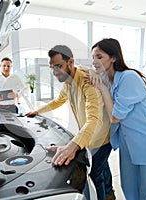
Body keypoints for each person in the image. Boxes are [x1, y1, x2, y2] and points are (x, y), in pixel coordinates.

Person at [25, 45, 115, 200]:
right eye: (52, 67)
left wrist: (73, 145)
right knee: (103, 167)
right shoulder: (68, 81)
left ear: (70, 62)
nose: (54, 72)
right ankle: (110, 192)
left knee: (95, 174)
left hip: (101, 139)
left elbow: (94, 119)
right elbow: (59, 100)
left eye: (58, 66)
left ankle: (104, 195)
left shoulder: (88, 82)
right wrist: (37, 111)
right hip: (90, 137)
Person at [87, 38, 146, 200]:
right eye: (93, 57)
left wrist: (103, 88)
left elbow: (115, 117)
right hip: (128, 146)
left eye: (99, 57)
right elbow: (81, 70)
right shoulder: (106, 78)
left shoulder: (129, 78)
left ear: (114, 58)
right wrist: (91, 71)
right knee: (130, 191)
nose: (94, 61)